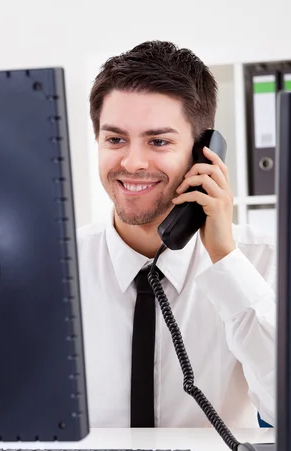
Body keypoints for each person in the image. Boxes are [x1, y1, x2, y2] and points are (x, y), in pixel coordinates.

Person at [77, 40, 276, 428]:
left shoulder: (264, 260)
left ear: (204, 154)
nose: (132, 162)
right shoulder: (55, 266)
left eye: (159, 141)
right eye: (115, 139)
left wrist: (225, 259)